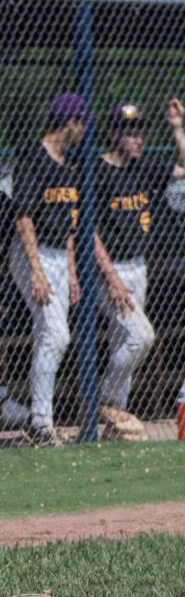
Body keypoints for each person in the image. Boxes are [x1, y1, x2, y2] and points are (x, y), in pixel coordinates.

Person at [92, 99, 185, 439]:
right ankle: (103, 399)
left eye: (140, 132)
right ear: (114, 134)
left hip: (138, 267)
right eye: (130, 132)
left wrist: (176, 128)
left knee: (124, 343)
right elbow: (90, 232)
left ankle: (116, 423)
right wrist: (113, 280)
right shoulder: (97, 171)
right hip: (109, 271)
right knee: (141, 336)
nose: (138, 139)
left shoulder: (142, 168)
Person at [10, 91, 85, 446]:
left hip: (58, 256)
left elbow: (69, 226)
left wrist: (69, 272)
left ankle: (41, 423)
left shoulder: (69, 165)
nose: (83, 130)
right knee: (56, 334)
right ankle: (40, 422)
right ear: (68, 122)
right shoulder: (32, 157)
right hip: (32, 254)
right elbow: (22, 217)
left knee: (49, 334)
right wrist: (37, 271)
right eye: (81, 122)